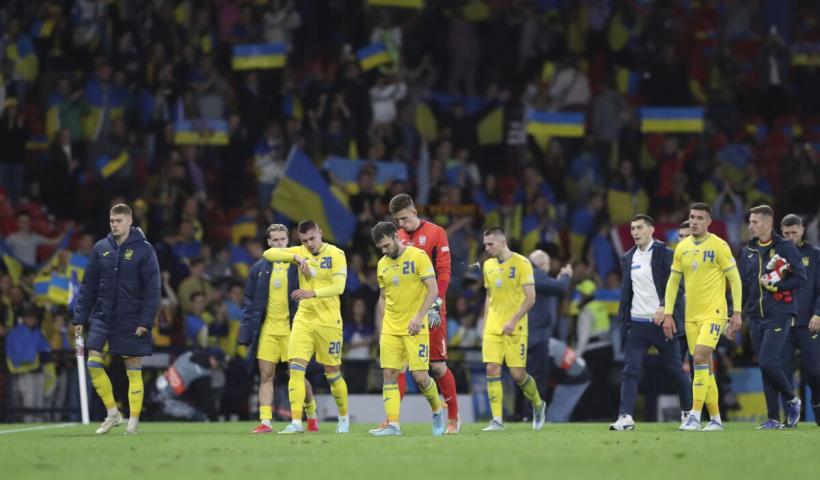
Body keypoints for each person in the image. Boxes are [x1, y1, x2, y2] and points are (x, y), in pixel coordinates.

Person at [72, 203, 161, 435]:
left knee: (133, 368)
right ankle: (113, 413)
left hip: (132, 318)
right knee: (93, 363)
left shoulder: (145, 250)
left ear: (130, 221)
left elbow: (153, 290)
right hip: (103, 316)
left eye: (119, 220)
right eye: (111, 221)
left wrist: (145, 321)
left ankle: (133, 421)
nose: (114, 225)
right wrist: (80, 318)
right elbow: (88, 286)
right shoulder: (101, 248)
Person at [261, 220, 350, 434]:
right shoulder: (300, 252)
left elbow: (339, 287)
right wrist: (296, 257)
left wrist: (312, 293)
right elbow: (268, 254)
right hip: (304, 319)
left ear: (320, 233)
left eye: (312, 238)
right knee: (295, 369)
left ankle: (343, 417)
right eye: (304, 240)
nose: (309, 244)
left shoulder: (336, 254)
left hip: (329, 321)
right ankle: (296, 422)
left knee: (332, 373)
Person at [664, 202, 742, 431]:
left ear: (708, 222)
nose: (695, 221)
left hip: (714, 313)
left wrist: (737, 312)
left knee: (698, 358)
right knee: (705, 368)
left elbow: (735, 279)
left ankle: (694, 416)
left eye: (700, 218)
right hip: (691, 317)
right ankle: (716, 419)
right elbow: (673, 282)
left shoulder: (719, 246)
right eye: (692, 217)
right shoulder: (682, 247)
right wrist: (668, 313)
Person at [387, 193, 461, 433]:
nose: (402, 224)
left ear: (414, 211)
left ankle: (453, 418)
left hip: (431, 309)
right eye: (398, 220)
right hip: (404, 313)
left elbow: (444, 271)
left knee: (437, 367)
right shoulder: (397, 236)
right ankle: (392, 420)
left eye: (405, 218)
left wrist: (437, 302)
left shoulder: (436, 233)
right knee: (397, 367)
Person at [610, 214, 691, 431]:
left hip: (662, 323)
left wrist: (665, 307)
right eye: (632, 228)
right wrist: (624, 322)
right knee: (630, 370)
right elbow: (627, 293)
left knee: (675, 370)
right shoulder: (628, 257)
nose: (635, 232)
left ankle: (688, 413)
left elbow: (677, 287)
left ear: (651, 230)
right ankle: (625, 417)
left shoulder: (666, 254)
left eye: (639, 228)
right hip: (637, 324)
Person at [238, 224, 318, 434]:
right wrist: (246, 332)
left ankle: (311, 413)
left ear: (288, 241)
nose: (279, 243)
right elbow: (250, 301)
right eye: (275, 240)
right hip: (269, 329)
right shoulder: (259, 268)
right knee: (266, 376)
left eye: (282, 239)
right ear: (268, 242)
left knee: (297, 375)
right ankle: (265, 422)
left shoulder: (299, 265)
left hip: (293, 329)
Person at [369, 222, 446, 436]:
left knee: (421, 377)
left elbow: (433, 290)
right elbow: (383, 297)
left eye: (386, 245)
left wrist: (419, 317)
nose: (384, 251)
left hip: (415, 327)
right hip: (391, 328)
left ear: (396, 236)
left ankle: (437, 410)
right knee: (389, 374)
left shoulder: (418, 256)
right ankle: (393, 425)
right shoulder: (382, 264)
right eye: (380, 248)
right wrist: (382, 325)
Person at [740, 205, 807, 429]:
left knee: (768, 361)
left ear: (768, 223)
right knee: (765, 366)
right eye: (750, 222)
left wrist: (776, 286)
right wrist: (736, 314)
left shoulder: (785, 247)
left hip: (779, 313)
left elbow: (801, 278)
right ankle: (773, 418)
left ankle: (792, 400)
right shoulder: (747, 250)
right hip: (755, 316)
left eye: (754, 222)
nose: (750, 226)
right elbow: (744, 285)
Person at [480, 227, 546, 431]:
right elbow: (489, 296)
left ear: (503, 242)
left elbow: (531, 298)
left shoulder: (522, 263)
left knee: (518, 375)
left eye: (490, 244)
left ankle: (538, 404)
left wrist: (513, 320)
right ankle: (497, 420)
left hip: (515, 327)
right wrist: (484, 323)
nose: (487, 248)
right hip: (493, 327)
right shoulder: (488, 265)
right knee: (492, 369)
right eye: (485, 245)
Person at [779, 214, 820, 425]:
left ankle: (817, 405)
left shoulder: (815, 255)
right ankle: (790, 416)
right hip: (783, 323)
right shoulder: (776, 256)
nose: (790, 237)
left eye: (794, 232)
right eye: (786, 233)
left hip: (808, 323)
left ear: (803, 230)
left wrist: (818, 313)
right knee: (783, 372)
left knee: (814, 371)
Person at [526, 249, 572, 403]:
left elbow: (553, 289)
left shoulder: (535, 278)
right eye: (547, 264)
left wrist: (558, 281)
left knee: (535, 377)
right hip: (536, 337)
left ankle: (529, 412)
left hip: (536, 336)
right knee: (536, 378)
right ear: (541, 264)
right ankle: (531, 413)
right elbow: (560, 288)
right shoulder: (534, 273)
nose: (549, 267)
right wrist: (566, 276)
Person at [545, 338, 591, 423]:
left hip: (575, 376)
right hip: (574, 372)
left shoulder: (542, 346)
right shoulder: (546, 340)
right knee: (556, 415)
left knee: (555, 418)